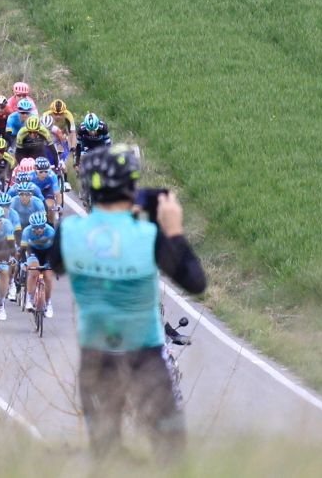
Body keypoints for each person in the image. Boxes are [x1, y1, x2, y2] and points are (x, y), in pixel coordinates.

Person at [47, 142, 205, 459]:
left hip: (96, 357)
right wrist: (173, 231)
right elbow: (195, 282)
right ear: (131, 186)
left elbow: (56, 265)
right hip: (144, 356)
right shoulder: (147, 233)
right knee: (170, 452)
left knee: (105, 453)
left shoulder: (71, 231)